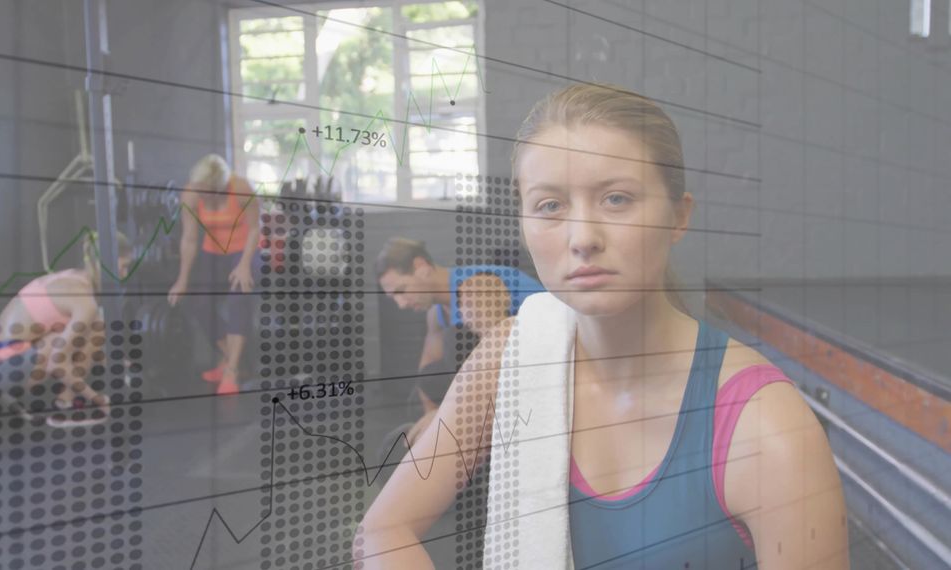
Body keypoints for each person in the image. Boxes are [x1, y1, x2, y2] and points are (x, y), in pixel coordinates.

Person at [359, 84, 848, 569]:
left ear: (679, 216)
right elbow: (383, 530)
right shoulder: (513, 356)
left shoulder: (765, 424)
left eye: (616, 199)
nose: (583, 238)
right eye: (550, 206)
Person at [375, 238, 544, 441]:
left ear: (421, 267)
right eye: (393, 297)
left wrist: (444, 417)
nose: (401, 304)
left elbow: (499, 366)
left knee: (455, 340)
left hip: (546, 365)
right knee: (427, 381)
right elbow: (427, 370)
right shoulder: (436, 313)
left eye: (401, 291)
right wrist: (431, 415)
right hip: (512, 368)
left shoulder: (475, 290)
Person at [0, 231, 132, 429]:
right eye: (123, 267)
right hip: (7, 366)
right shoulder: (84, 301)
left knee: (92, 325)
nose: (125, 274)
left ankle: (49, 401)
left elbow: (85, 344)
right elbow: (56, 364)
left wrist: (116, 362)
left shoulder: (74, 277)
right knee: (97, 325)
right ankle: (65, 407)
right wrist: (99, 400)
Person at [167, 154, 262, 396]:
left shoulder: (241, 189)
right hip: (214, 251)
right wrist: (182, 279)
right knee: (199, 303)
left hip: (245, 250)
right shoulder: (190, 195)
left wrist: (244, 265)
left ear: (220, 187)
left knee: (238, 297)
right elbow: (189, 239)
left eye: (206, 191)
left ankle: (231, 370)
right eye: (198, 189)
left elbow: (254, 229)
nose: (201, 195)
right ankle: (232, 359)